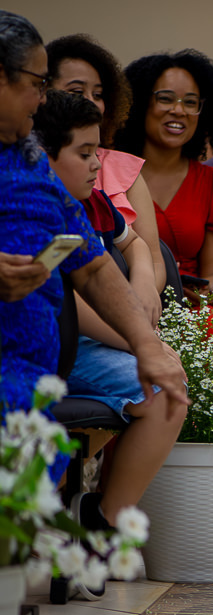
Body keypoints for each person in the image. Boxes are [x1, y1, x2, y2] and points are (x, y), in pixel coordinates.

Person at [0, 12, 187, 522]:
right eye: (37, 83)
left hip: (35, 373)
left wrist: (147, 345)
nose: (42, 99)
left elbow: (93, 265)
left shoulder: (32, 161)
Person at [33, 88, 187, 539]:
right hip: (61, 345)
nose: (97, 165)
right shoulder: (36, 209)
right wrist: (139, 342)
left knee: (167, 386)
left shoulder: (91, 203)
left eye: (97, 152)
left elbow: (133, 243)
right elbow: (74, 306)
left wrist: (142, 283)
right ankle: (93, 519)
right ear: (45, 156)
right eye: (84, 154)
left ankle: (103, 514)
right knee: (162, 390)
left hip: (104, 337)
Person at [114, 49, 213, 305]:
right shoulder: (108, 173)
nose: (179, 110)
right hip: (123, 304)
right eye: (166, 99)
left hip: (191, 312)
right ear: (140, 102)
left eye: (190, 102)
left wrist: (200, 292)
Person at [46, 34, 166, 311]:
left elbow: (148, 253)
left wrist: (142, 294)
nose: (91, 102)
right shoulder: (41, 198)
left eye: (98, 94)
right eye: (77, 91)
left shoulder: (111, 185)